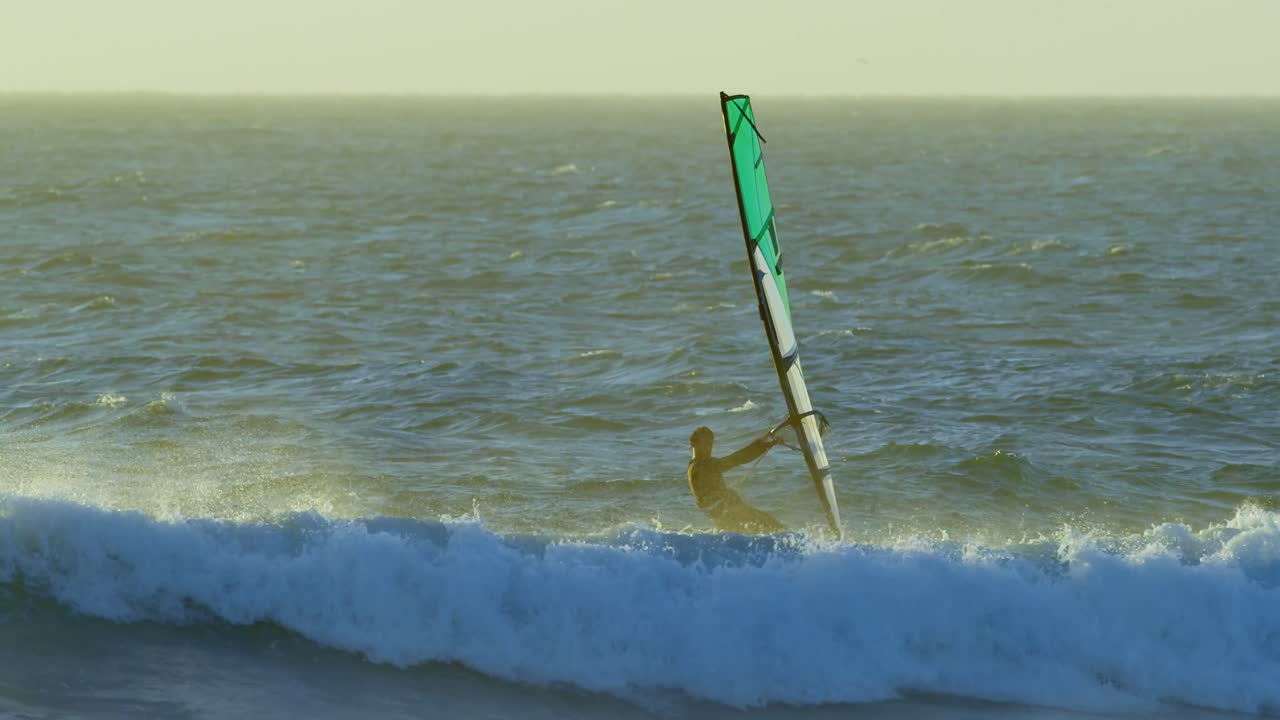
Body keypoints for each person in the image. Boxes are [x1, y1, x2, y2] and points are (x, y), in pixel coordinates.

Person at [687, 426, 786, 534]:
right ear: (693, 443)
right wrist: (765, 444)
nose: (709, 448)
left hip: (727, 516)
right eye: (705, 443)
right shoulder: (701, 466)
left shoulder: (696, 465)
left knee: (769, 525)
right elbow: (738, 458)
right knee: (773, 526)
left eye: (711, 444)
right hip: (731, 515)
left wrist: (762, 443)